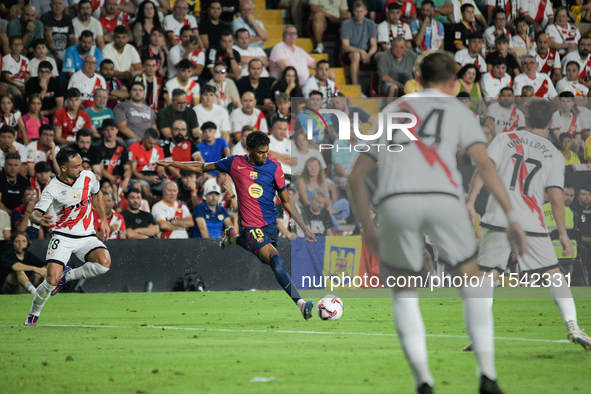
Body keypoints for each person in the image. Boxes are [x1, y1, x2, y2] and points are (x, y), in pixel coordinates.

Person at [347, 51, 527, 393]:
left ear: (417, 75)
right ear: (453, 82)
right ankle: (487, 377)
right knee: (471, 284)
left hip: (395, 201)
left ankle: (424, 383)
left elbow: (355, 178)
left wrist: (368, 228)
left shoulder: (391, 111)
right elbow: (484, 166)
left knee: (404, 293)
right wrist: (512, 215)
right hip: (444, 198)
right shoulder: (458, 109)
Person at [466, 97, 591, 352]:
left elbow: (482, 168)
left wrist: (470, 202)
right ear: (550, 122)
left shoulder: (505, 138)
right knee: (554, 275)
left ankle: (479, 336)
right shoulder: (554, 155)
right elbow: (556, 197)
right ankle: (572, 326)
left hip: (498, 217)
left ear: (525, 119)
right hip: (531, 221)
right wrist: (564, 234)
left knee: (488, 276)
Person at [157, 130, 317, 320]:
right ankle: (301, 304)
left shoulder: (274, 167)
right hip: (251, 225)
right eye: (260, 152)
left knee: (265, 259)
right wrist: (170, 163)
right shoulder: (234, 162)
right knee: (276, 260)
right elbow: (201, 167)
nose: (265, 156)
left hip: (270, 224)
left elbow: (286, 201)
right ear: (248, 149)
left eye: (267, 151)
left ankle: (233, 238)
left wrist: (304, 227)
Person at [23, 147, 111, 326]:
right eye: (76, 166)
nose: (81, 168)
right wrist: (38, 220)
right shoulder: (52, 188)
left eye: (81, 165)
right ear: (63, 168)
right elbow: (35, 213)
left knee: (104, 264)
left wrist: (103, 220)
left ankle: (68, 276)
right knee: (51, 280)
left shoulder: (88, 177)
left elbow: (97, 194)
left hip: (87, 235)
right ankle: (33, 313)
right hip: (63, 236)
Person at [341, 1, 378, 86]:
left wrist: (368, 55)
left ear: (365, 12)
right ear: (353, 12)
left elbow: (374, 45)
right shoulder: (346, 24)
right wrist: (361, 52)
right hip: (350, 52)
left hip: (366, 52)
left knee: (380, 56)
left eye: (361, 11)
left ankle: (380, 84)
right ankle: (355, 86)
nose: (359, 14)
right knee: (356, 55)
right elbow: (346, 47)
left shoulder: (370, 24)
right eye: (357, 11)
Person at [128, 127, 166, 203]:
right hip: (139, 176)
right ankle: (153, 211)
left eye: (154, 143)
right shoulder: (133, 148)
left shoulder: (158, 149)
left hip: (154, 176)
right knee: (145, 189)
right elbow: (133, 171)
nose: (152, 146)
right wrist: (148, 179)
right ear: (144, 139)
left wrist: (162, 175)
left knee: (170, 185)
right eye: (150, 143)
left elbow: (161, 169)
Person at [96, 119, 130, 192]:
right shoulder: (97, 147)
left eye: (112, 129)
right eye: (106, 130)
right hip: (105, 179)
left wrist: (126, 180)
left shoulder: (122, 147)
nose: (109, 132)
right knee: (113, 186)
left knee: (137, 185)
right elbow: (101, 170)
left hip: (120, 179)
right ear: (102, 132)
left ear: (117, 130)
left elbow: (127, 168)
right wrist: (116, 180)